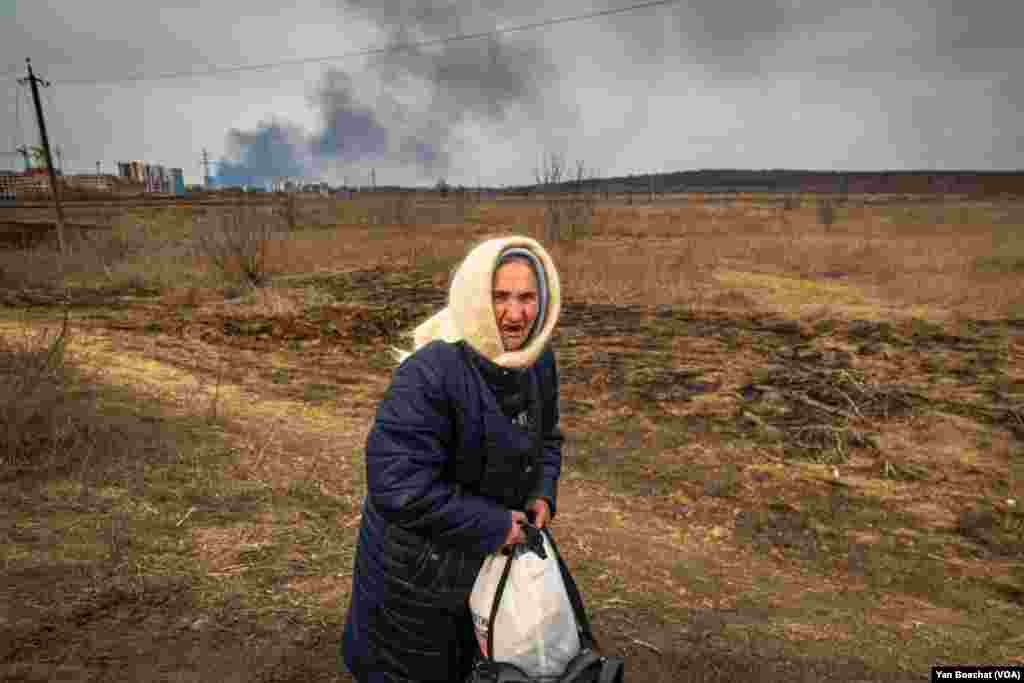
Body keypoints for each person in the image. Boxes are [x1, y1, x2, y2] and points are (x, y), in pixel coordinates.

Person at [341, 235, 565, 683]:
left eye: (527, 297)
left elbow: (548, 438)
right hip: (416, 571)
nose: (516, 314)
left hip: (484, 555)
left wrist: (543, 490)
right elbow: (396, 482)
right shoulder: (430, 372)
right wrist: (494, 524)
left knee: (481, 661)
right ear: (477, 297)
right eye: (500, 297)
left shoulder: (538, 361)